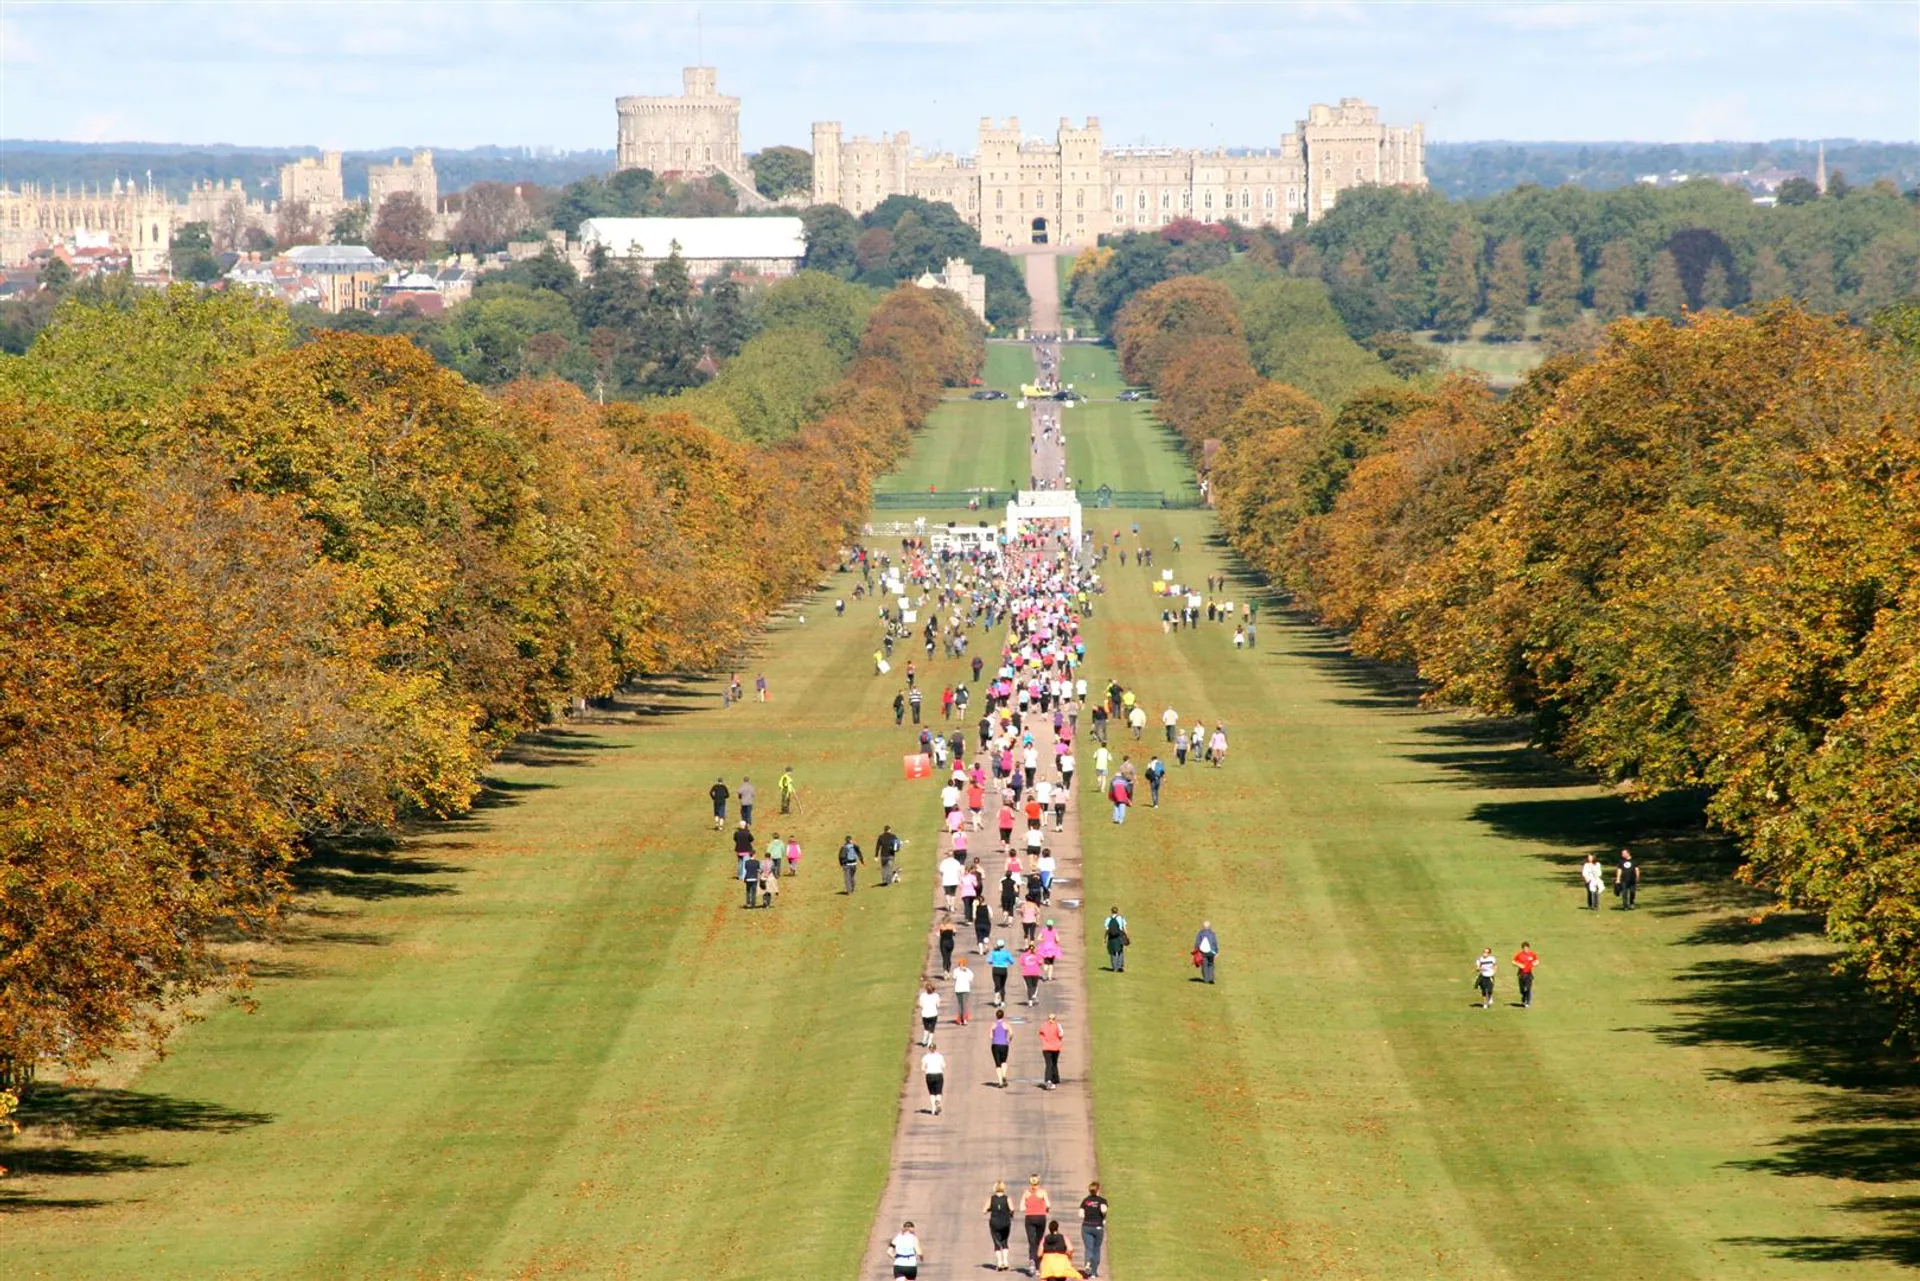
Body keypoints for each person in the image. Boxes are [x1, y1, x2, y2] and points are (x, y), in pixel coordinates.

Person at [984, 1180, 1015, 1272]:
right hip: (1005, 1222)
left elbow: (984, 1210)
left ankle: (999, 1262)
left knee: (996, 1243)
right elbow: (1012, 1209)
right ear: (1003, 1188)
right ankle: (1005, 1261)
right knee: (1005, 1241)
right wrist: (1010, 1213)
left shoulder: (991, 1198)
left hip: (994, 1223)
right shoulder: (1007, 1198)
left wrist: (991, 1209)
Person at [1079, 1182, 1109, 1279]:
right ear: (1098, 1190)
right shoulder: (1102, 1200)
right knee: (1096, 1249)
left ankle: (1088, 1263)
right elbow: (1103, 1210)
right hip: (1098, 1227)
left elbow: (1081, 1214)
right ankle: (1094, 1273)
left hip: (1086, 1227)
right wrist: (1103, 1217)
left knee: (1088, 1248)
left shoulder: (1085, 1201)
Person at [1022, 1176, 1051, 1271]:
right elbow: (1048, 1204)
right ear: (1039, 1182)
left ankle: (1031, 1260)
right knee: (1038, 1241)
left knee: (1031, 1241)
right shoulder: (1042, 1192)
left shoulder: (1026, 1193)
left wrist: (1029, 1208)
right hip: (1041, 1217)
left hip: (1030, 1217)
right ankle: (1038, 1267)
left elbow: (1021, 1207)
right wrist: (1046, 1209)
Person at [1038, 1012, 1064, 1089]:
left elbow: (1041, 1034)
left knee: (1050, 1063)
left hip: (1047, 1047)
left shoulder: (1043, 1025)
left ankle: (1053, 1079)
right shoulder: (1057, 1025)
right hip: (1055, 1047)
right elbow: (1061, 1034)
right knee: (1052, 1063)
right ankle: (1051, 1080)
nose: (1051, 1020)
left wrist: (1045, 1040)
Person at [922, 1040, 946, 1116]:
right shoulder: (940, 1056)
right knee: (938, 1092)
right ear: (935, 1049)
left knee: (932, 1093)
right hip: (938, 1074)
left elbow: (923, 1068)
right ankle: (938, 1101)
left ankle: (933, 1109)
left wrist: (927, 1070)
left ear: (929, 1049)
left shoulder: (925, 1057)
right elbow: (943, 1066)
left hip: (929, 1075)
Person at [990, 1008, 1013, 1087]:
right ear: (1003, 1016)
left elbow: (990, 1036)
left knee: (997, 1064)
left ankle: (1000, 1082)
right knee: (1004, 1061)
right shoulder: (1006, 1024)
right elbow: (1011, 1033)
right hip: (1004, 1044)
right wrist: (1009, 1040)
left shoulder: (993, 1024)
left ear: (996, 1016)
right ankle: (1004, 1075)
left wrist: (995, 1038)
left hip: (995, 1045)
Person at [989, 939, 1014, 1008]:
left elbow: (989, 961)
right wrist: (1006, 962)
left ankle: (997, 996)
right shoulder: (1006, 952)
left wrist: (994, 961)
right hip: (1003, 969)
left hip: (996, 969)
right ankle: (1002, 1001)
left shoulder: (994, 952)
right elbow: (1012, 961)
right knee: (1002, 985)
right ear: (1003, 945)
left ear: (997, 945)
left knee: (997, 985)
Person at [1513, 941, 1539, 1008]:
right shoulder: (1519, 955)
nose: (1526, 949)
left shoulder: (1532, 954)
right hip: (1521, 974)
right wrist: (1519, 964)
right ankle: (1524, 997)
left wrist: (1535, 963)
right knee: (1522, 989)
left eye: (1527, 948)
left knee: (1528, 988)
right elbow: (1513, 961)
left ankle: (1528, 1002)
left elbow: (1537, 961)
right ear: (1522, 948)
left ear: (1528, 948)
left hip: (1529, 974)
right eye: (1524, 948)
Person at [1103, 906, 1129, 973]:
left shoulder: (1108, 919)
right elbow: (1125, 928)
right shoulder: (1121, 918)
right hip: (1119, 936)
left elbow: (1106, 930)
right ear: (1117, 911)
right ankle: (1120, 967)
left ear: (1111, 911)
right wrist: (1126, 936)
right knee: (1120, 951)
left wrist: (1105, 938)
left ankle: (1114, 967)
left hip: (1111, 937)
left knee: (1113, 952)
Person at [952, 955, 974, 1025]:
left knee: (961, 1004)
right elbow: (971, 979)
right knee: (963, 1004)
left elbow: (954, 977)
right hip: (962, 989)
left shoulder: (956, 970)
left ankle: (962, 1018)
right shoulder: (968, 971)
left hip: (961, 989)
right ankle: (963, 1019)